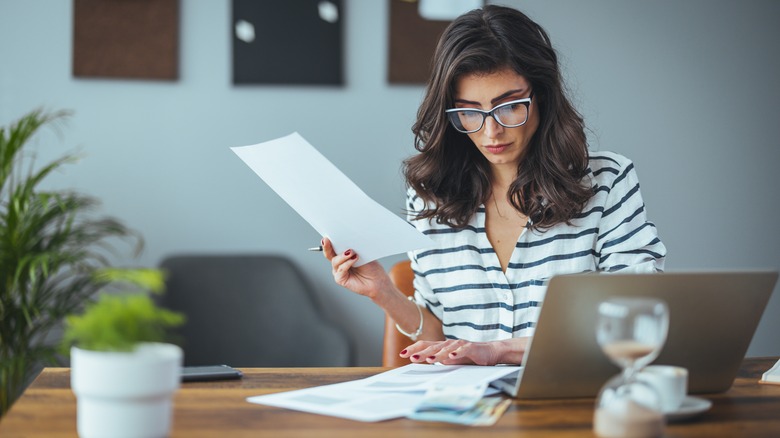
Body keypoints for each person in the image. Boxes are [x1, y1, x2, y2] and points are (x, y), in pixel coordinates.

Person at [322, 5, 666, 366]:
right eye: (468, 111)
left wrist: (499, 350)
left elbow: (636, 320)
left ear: (542, 96)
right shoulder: (429, 196)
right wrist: (383, 293)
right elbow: (438, 339)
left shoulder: (607, 181)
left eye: (509, 106)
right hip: (464, 410)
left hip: (571, 403)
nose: (491, 132)